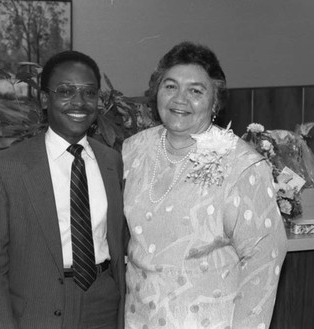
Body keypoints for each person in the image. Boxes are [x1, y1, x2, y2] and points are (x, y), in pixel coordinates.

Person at [122, 41, 287, 329]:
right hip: (138, 320)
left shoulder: (240, 164)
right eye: (170, 86)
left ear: (215, 103)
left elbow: (264, 258)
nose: (180, 99)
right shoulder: (133, 150)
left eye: (196, 91)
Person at [0, 50, 126, 329]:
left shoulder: (112, 161)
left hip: (103, 305)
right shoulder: (4, 167)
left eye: (89, 93)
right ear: (45, 99)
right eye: (66, 91)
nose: (79, 102)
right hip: (36, 309)